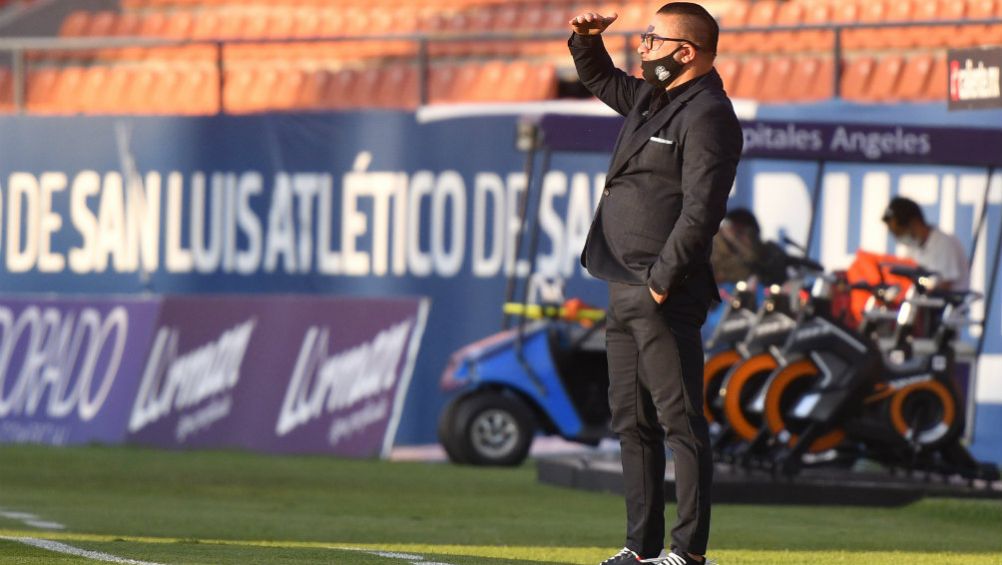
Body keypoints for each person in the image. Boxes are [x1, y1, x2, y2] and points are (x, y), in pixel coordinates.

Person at [568, 4, 743, 565]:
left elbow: (702, 212)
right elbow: (598, 78)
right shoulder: (651, 97)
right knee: (632, 422)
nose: (642, 47)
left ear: (685, 52)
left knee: (680, 422)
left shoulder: (710, 114)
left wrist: (661, 282)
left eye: (652, 39)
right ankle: (639, 550)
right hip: (620, 283)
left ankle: (688, 553)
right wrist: (588, 41)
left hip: (661, 291)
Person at [881, 196, 970, 291]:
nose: (898, 237)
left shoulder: (945, 243)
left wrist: (921, 284)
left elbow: (944, 285)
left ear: (914, 223)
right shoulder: (912, 248)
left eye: (899, 232)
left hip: (948, 304)